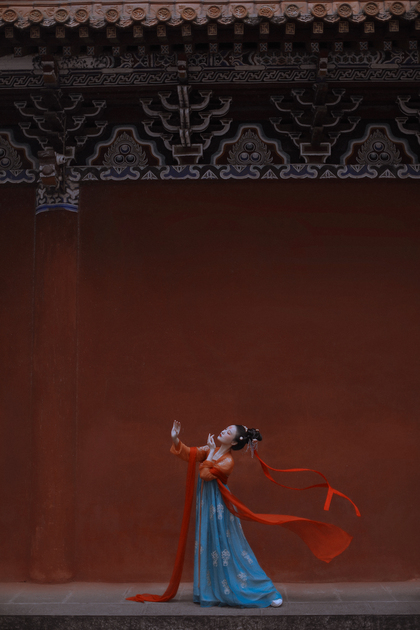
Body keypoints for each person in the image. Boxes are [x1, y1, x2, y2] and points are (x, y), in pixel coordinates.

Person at [170, 420, 283, 608]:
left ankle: (265, 590)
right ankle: (209, 591)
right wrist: (175, 439)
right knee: (208, 541)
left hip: (219, 505)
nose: (223, 431)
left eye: (228, 432)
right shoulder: (212, 449)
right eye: (225, 428)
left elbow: (205, 474)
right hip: (206, 502)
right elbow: (190, 453)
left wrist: (210, 453)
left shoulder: (227, 461)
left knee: (226, 544)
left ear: (234, 442)